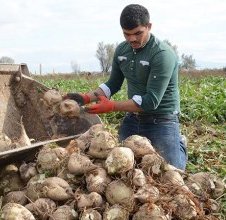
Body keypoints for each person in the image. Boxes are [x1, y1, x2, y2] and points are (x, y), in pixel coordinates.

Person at [65, 4, 187, 170]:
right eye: (126, 34)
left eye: (138, 33)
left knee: (170, 170)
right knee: (123, 165)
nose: (132, 39)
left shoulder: (162, 54)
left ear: (149, 26)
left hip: (162, 118)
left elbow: (151, 101)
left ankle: (179, 144)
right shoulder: (122, 50)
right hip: (133, 118)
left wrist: (112, 106)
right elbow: (113, 84)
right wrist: (85, 98)